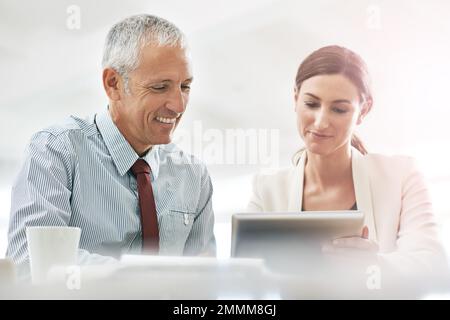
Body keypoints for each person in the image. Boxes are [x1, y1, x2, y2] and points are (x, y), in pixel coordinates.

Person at [6, 14, 215, 277]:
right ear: (113, 84)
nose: (179, 105)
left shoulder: (193, 176)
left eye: (185, 86)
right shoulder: (55, 152)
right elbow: (31, 264)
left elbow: (203, 281)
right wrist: (138, 278)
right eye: (160, 87)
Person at [247, 45, 447, 277]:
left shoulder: (402, 176)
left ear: (363, 111)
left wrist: (374, 266)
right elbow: (246, 275)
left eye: (339, 109)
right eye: (311, 104)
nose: (321, 122)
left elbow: (431, 264)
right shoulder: (267, 189)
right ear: (295, 98)